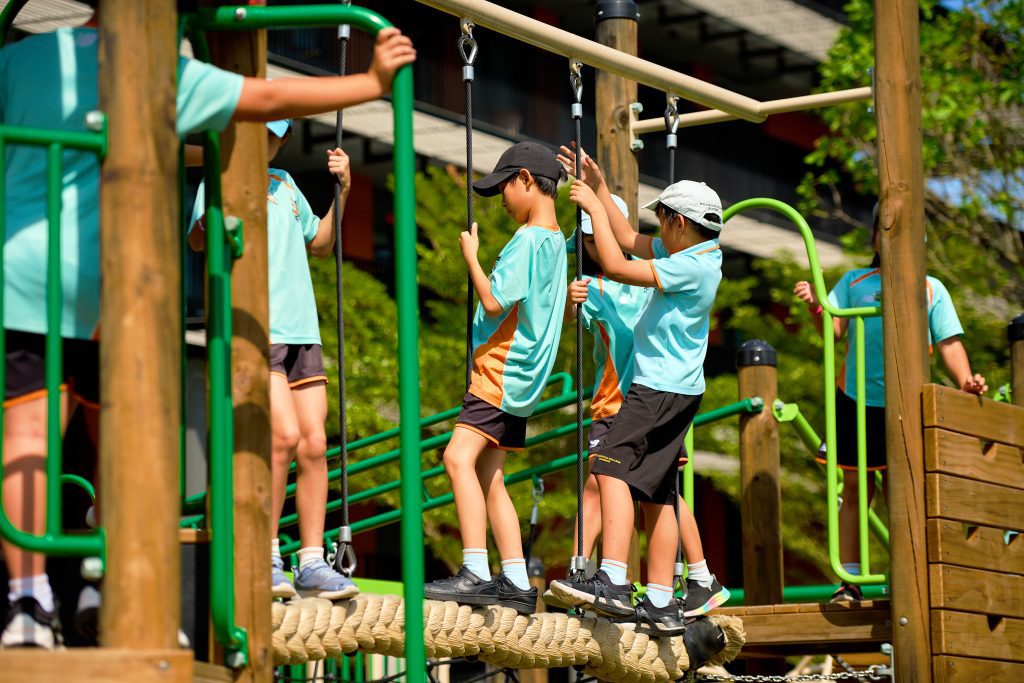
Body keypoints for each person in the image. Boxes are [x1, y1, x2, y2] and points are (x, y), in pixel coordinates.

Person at [0, 2, 414, 647]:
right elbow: (269, 91)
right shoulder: (153, 66)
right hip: (120, 283)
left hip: (28, 272)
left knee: (30, 440)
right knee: (133, 444)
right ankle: (118, 583)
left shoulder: (17, 60)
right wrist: (372, 83)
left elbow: (314, 237)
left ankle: (30, 600)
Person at [548, 147, 728, 637]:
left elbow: (614, 257)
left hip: (657, 390)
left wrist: (589, 210)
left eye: (664, 219)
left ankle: (613, 579)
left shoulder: (689, 267)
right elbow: (627, 237)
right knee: (661, 492)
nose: (659, 227)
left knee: (608, 468)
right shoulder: (696, 252)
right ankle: (664, 602)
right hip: (677, 390)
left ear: (680, 223)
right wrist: (602, 189)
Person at [190, 120, 357, 601]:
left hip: (302, 329)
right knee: (281, 435)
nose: (263, 141)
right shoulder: (218, 180)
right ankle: (262, 553)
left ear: (280, 141)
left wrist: (341, 191)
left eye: (272, 135)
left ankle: (310, 561)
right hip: (256, 329)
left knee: (313, 445)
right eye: (255, 131)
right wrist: (220, 211)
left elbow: (320, 244)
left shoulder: (284, 184)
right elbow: (200, 240)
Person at [793, 205, 987, 602]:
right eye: (884, 229)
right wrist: (816, 302)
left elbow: (949, 341)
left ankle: (912, 574)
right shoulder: (855, 280)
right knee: (855, 487)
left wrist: (966, 381)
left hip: (906, 399)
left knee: (905, 489)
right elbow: (832, 328)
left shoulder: (930, 287)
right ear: (874, 239)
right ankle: (849, 580)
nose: (892, 236)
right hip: (856, 397)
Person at [423, 142, 568, 615]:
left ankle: (475, 572)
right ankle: (517, 580)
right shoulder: (553, 241)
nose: (501, 200)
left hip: (501, 370)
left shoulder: (527, 240)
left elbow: (493, 302)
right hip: (524, 380)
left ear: (525, 179)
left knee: (455, 458)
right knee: (491, 476)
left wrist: (472, 256)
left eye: (503, 188)